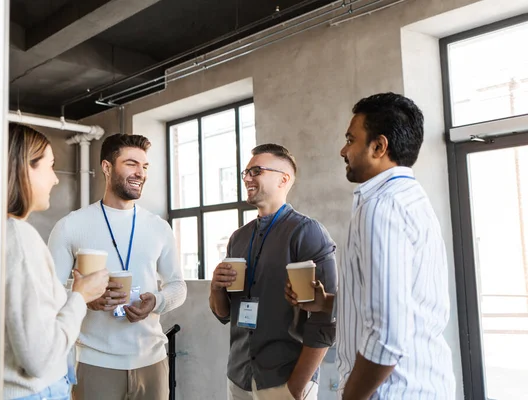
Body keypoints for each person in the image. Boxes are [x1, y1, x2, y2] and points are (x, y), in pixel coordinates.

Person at [286, 92, 455, 399]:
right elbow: (401, 304)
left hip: (393, 391)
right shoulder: (410, 197)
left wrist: (352, 396)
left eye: (351, 139)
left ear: (378, 146)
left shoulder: (382, 206)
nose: (343, 149)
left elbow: (387, 335)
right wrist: (327, 303)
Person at [48, 133, 187, 400]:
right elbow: (49, 292)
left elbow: (177, 285)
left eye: (145, 166)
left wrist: (156, 301)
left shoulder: (159, 227)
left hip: (152, 362)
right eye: (131, 163)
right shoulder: (71, 225)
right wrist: (84, 297)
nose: (141, 173)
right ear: (107, 167)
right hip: (95, 363)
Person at [210, 144, 337, 400]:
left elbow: (324, 319)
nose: (246, 178)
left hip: (285, 379)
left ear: (283, 179)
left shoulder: (307, 233)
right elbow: (224, 313)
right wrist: (215, 287)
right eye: (245, 172)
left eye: (256, 171)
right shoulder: (238, 238)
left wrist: (297, 386)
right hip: (239, 377)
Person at [4, 123, 109, 400]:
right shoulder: (19, 238)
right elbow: (39, 358)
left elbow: (18, 305)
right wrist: (79, 297)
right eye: (50, 166)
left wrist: (73, 294)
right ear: (25, 168)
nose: (55, 179)